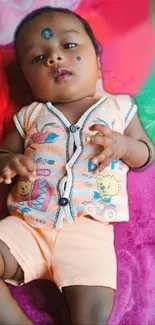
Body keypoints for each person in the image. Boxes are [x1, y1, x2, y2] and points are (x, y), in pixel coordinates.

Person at [0, 6, 154, 325]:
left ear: (97, 61)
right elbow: (2, 153)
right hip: (27, 226)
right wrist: (8, 161)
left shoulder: (119, 108)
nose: (54, 58)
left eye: (69, 46)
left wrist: (123, 145)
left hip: (89, 233)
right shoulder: (28, 117)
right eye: (37, 58)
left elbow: (146, 153)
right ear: (27, 80)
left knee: (94, 310)